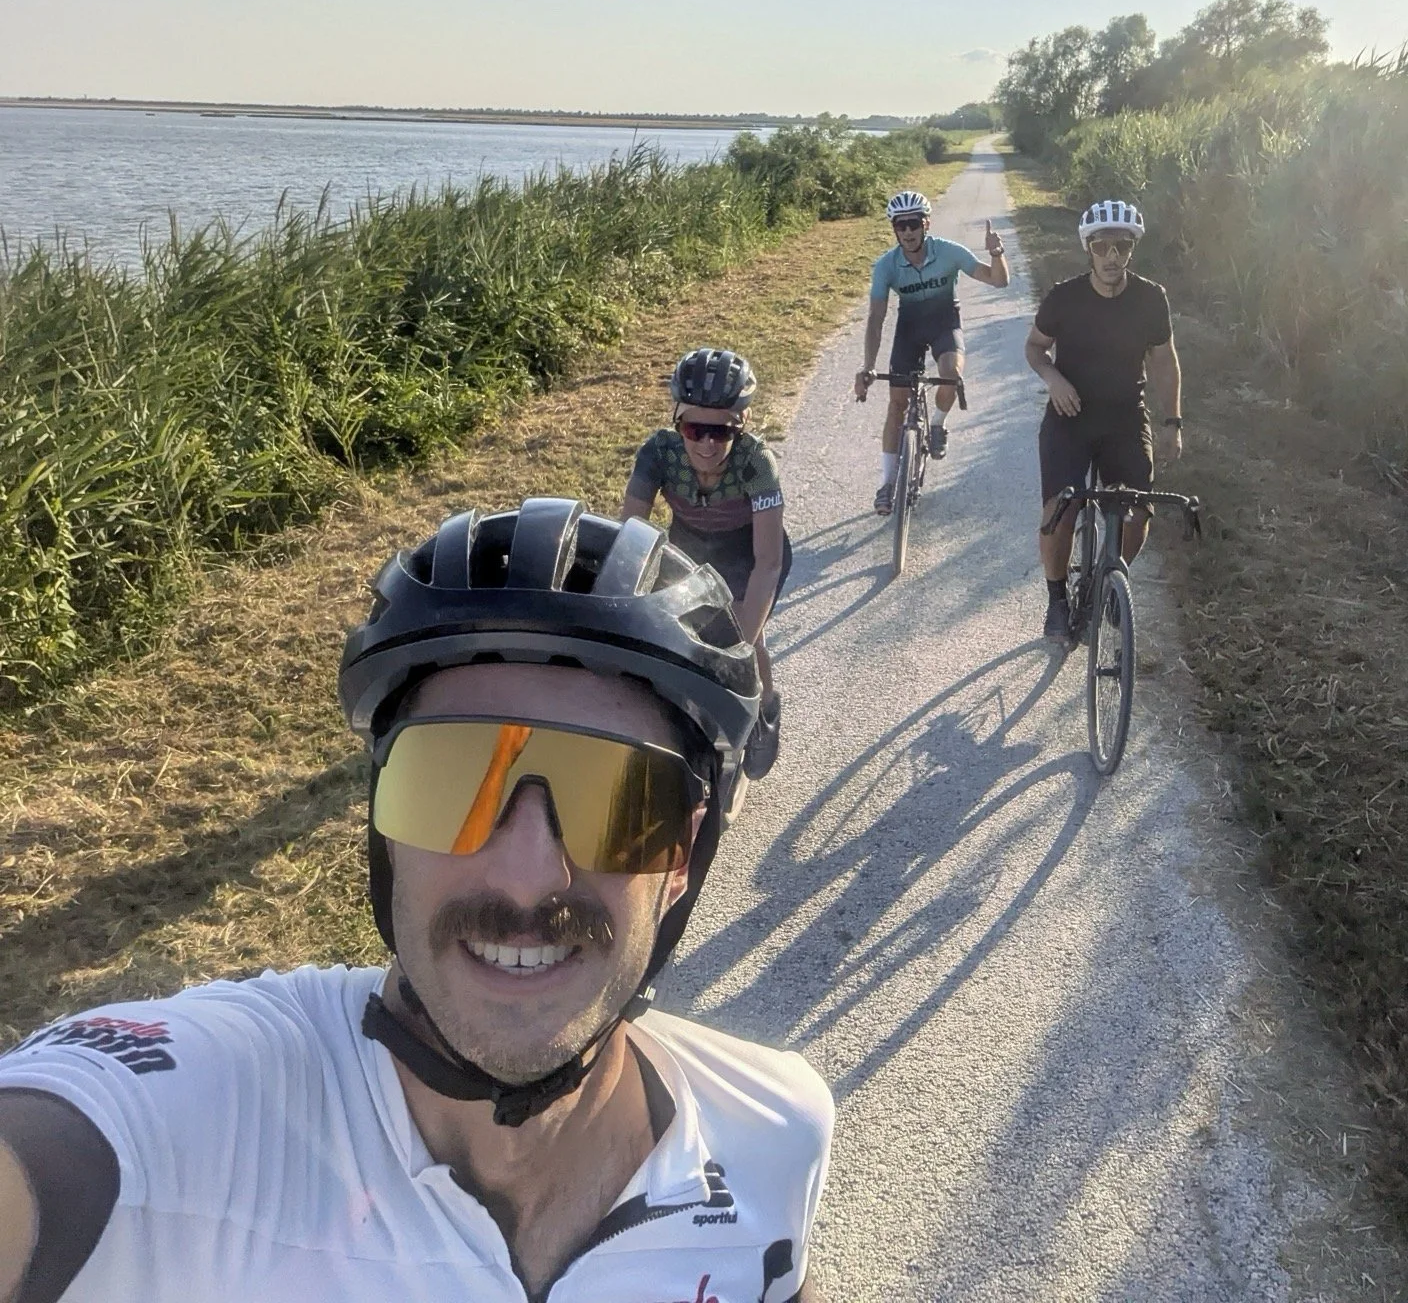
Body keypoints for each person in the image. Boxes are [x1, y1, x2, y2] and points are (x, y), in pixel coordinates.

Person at [0, 500, 831, 1302]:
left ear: (682, 854)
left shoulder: (772, 1133)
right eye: (450, 784)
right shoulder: (202, 1121)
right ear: (382, 831)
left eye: (618, 803)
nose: (526, 879)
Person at [621, 348, 790, 781]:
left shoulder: (757, 463)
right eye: (695, 430)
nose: (707, 444)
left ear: (742, 425)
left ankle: (765, 707)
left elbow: (767, 563)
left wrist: (740, 645)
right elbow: (630, 536)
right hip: (690, 546)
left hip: (749, 553)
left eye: (721, 432)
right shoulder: (658, 453)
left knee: (746, 644)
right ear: (678, 420)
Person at [1024, 199, 1184, 641]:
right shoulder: (1064, 297)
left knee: (1137, 512)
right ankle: (1057, 597)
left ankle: (1107, 582)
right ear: (1088, 249)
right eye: (1102, 246)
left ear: (1132, 249)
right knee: (1061, 508)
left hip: (1125, 418)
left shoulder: (1151, 299)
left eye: (1122, 245)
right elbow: (1035, 348)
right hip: (1069, 415)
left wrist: (1172, 422)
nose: (1112, 255)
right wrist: (1054, 379)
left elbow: (1165, 362)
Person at [853, 188, 1010, 514]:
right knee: (897, 404)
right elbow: (876, 318)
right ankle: (886, 483)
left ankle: (936, 424)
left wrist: (997, 253)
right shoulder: (886, 266)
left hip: (944, 323)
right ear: (894, 228)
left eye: (914, 223)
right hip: (909, 327)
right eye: (901, 225)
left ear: (926, 223)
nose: (908, 231)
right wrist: (867, 366)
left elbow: (998, 281)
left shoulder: (949, 252)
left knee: (951, 374)